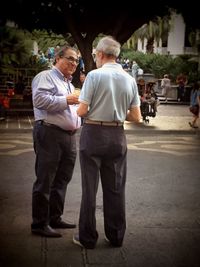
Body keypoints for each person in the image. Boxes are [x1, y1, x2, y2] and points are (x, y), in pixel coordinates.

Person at [73, 36, 141, 249]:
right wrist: (118, 113)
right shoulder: (129, 79)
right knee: (116, 188)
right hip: (117, 135)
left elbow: (82, 111)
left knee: (89, 188)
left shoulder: (94, 76)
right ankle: (116, 236)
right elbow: (136, 117)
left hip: (93, 132)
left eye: (95, 55)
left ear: (101, 54)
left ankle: (87, 238)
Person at [31, 44, 81, 238]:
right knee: (45, 180)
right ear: (57, 59)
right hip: (50, 133)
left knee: (62, 179)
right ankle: (39, 224)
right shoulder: (46, 76)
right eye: (70, 58)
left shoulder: (68, 82)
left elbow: (71, 107)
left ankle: (54, 217)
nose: (74, 63)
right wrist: (67, 100)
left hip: (69, 136)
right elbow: (40, 100)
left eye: (76, 60)